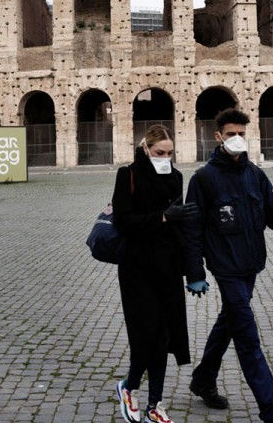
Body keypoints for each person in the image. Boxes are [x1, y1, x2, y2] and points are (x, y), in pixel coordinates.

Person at [181, 108, 273, 423]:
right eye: (231, 134)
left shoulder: (255, 174)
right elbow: (193, 230)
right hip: (225, 267)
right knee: (246, 335)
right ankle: (272, 411)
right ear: (218, 136)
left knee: (229, 321)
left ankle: (203, 380)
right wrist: (195, 273)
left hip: (251, 265)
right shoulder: (203, 179)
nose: (237, 139)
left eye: (241, 133)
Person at [112, 125, 199, 423]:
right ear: (146, 149)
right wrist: (162, 217)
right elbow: (123, 221)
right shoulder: (129, 175)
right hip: (137, 268)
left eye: (170, 153)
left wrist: (193, 271)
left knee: (164, 337)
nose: (165, 157)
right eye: (160, 152)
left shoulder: (176, 177)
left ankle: (155, 404)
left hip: (169, 266)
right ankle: (130, 387)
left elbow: (181, 228)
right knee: (146, 335)